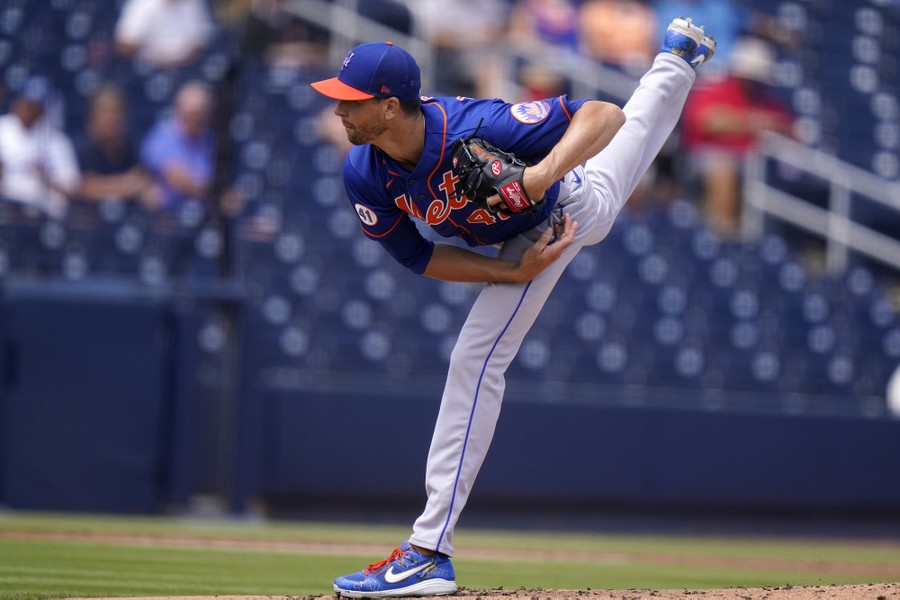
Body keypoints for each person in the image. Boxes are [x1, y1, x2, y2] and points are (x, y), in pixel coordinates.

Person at [310, 18, 715, 597]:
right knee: (628, 153)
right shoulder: (365, 174)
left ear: (391, 106)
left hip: (553, 214)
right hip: (527, 243)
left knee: (474, 361)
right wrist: (507, 271)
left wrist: (539, 175)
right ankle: (677, 59)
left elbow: (602, 114)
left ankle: (428, 552)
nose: (338, 111)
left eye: (351, 102)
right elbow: (418, 258)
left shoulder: (474, 125)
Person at [679, 36, 794, 236]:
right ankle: (724, 235)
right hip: (707, 154)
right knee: (722, 167)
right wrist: (751, 123)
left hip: (753, 160)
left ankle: (764, 241)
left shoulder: (764, 98)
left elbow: (789, 128)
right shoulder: (717, 89)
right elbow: (706, 121)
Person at [0, 75, 80, 218]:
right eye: (26, 102)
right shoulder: (3, 128)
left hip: (43, 213)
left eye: (35, 106)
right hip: (7, 207)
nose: (28, 109)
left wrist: (46, 179)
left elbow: (72, 190)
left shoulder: (57, 141)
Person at [139, 80, 215, 211]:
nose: (194, 118)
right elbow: (178, 180)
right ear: (178, 109)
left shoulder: (211, 140)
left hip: (204, 212)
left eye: (199, 113)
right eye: (190, 112)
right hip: (168, 216)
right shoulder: (162, 135)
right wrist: (215, 191)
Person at [75, 83, 151, 205]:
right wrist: (124, 184)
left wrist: (106, 186)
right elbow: (85, 189)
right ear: (93, 118)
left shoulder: (130, 148)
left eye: (116, 113)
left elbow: (142, 181)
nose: (112, 119)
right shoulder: (81, 149)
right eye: (105, 113)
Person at [114, 0, 215, 69]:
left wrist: (174, 60)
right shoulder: (142, 4)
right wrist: (155, 56)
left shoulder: (194, 4)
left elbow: (202, 43)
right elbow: (124, 44)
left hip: (187, 66)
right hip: (149, 67)